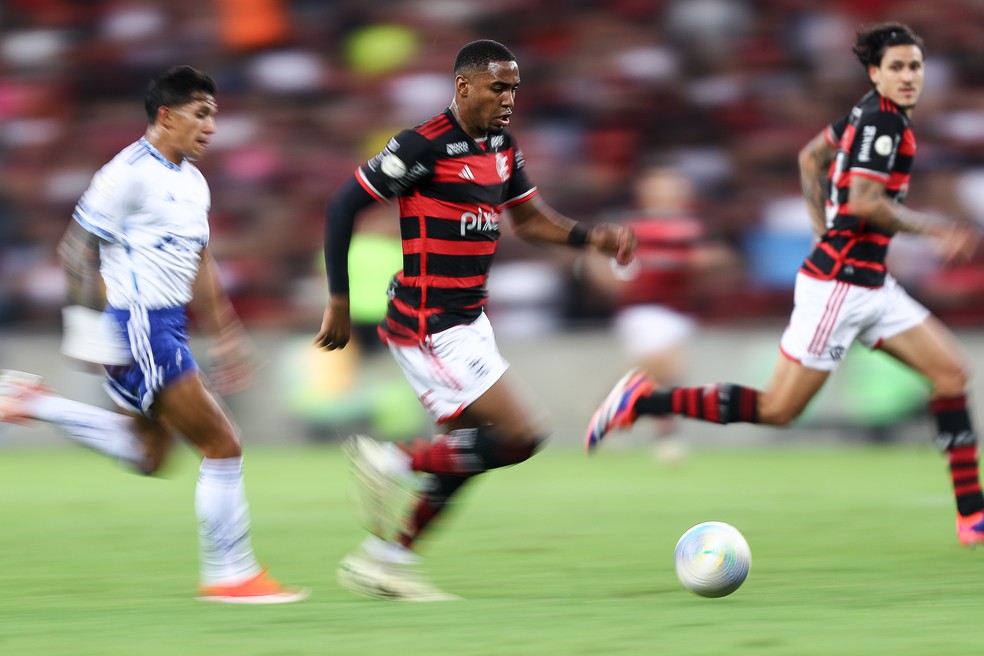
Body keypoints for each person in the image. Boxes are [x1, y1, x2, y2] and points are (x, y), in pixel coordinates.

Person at [586, 22, 984, 546]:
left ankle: (972, 517)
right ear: (874, 72)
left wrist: (823, 227)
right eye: (897, 67)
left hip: (871, 283)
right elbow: (865, 201)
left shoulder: (866, 114)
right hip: (840, 288)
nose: (909, 76)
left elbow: (810, 158)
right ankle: (643, 401)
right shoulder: (882, 125)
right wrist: (935, 229)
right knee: (778, 409)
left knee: (951, 375)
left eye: (915, 65)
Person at [314, 39, 636, 601]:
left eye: (514, 87)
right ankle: (390, 459)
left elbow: (530, 223)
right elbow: (344, 205)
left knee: (468, 454)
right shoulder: (422, 146)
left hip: (468, 319)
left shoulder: (502, 147)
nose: (509, 97)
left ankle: (385, 562)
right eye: (498, 86)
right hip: (429, 321)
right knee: (524, 434)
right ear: (464, 86)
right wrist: (339, 300)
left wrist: (591, 238)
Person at [0, 65, 308, 602]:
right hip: (142, 324)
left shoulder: (192, 181)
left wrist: (227, 332)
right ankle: (230, 573)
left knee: (148, 456)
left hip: (163, 326)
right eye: (201, 114)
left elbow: (201, 259)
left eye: (215, 115)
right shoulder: (126, 174)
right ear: (167, 116)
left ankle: (36, 403)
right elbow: (76, 249)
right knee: (223, 446)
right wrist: (83, 329)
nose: (212, 127)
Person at [580, 162, 739, 462]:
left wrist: (704, 264)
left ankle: (612, 407)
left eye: (674, 186)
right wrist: (609, 282)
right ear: (646, 190)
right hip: (641, 308)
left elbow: (720, 258)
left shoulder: (695, 226)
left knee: (652, 372)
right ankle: (667, 437)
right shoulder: (627, 224)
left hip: (680, 309)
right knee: (668, 369)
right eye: (662, 186)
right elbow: (594, 257)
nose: (669, 192)